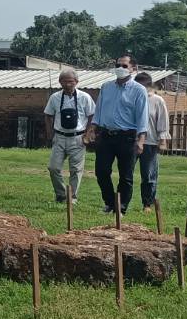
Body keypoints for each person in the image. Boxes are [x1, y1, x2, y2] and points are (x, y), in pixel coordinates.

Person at [91, 53, 150, 216]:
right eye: (118, 65)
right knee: (101, 171)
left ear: (133, 69)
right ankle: (110, 203)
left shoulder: (139, 90)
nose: (120, 69)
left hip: (128, 137)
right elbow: (99, 111)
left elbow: (142, 117)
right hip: (106, 135)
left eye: (124, 66)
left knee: (126, 176)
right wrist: (92, 129)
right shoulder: (106, 87)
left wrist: (141, 140)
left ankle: (121, 207)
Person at [43, 69, 96, 204]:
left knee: (76, 169)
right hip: (59, 137)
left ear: (76, 82)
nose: (67, 85)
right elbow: (48, 115)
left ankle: (71, 197)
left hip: (78, 137)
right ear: (60, 82)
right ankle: (61, 194)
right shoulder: (55, 97)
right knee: (53, 168)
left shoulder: (85, 97)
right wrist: (50, 133)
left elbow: (92, 115)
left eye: (70, 82)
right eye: (64, 82)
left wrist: (88, 133)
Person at [135, 72, 170, 210]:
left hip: (149, 142)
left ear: (149, 85)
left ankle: (147, 204)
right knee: (126, 173)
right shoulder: (132, 98)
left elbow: (162, 121)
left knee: (148, 175)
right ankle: (122, 203)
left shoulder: (157, 100)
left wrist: (162, 141)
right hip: (131, 141)